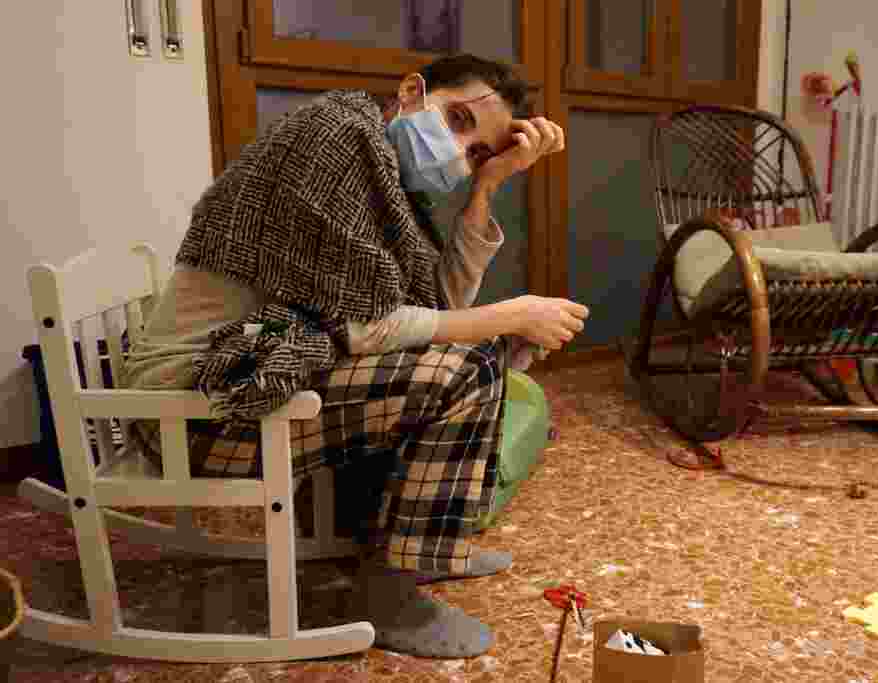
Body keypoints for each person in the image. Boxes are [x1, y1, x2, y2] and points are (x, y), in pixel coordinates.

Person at [118, 53, 589, 658]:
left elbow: (435, 305)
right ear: (412, 91)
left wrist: (488, 185)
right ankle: (389, 595)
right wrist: (512, 314)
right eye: (458, 120)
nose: (460, 150)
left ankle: (415, 545)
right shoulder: (335, 136)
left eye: (476, 151)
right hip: (200, 407)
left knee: (473, 352)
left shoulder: (384, 177)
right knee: (464, 371)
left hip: (246, 385)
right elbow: (368, 326)